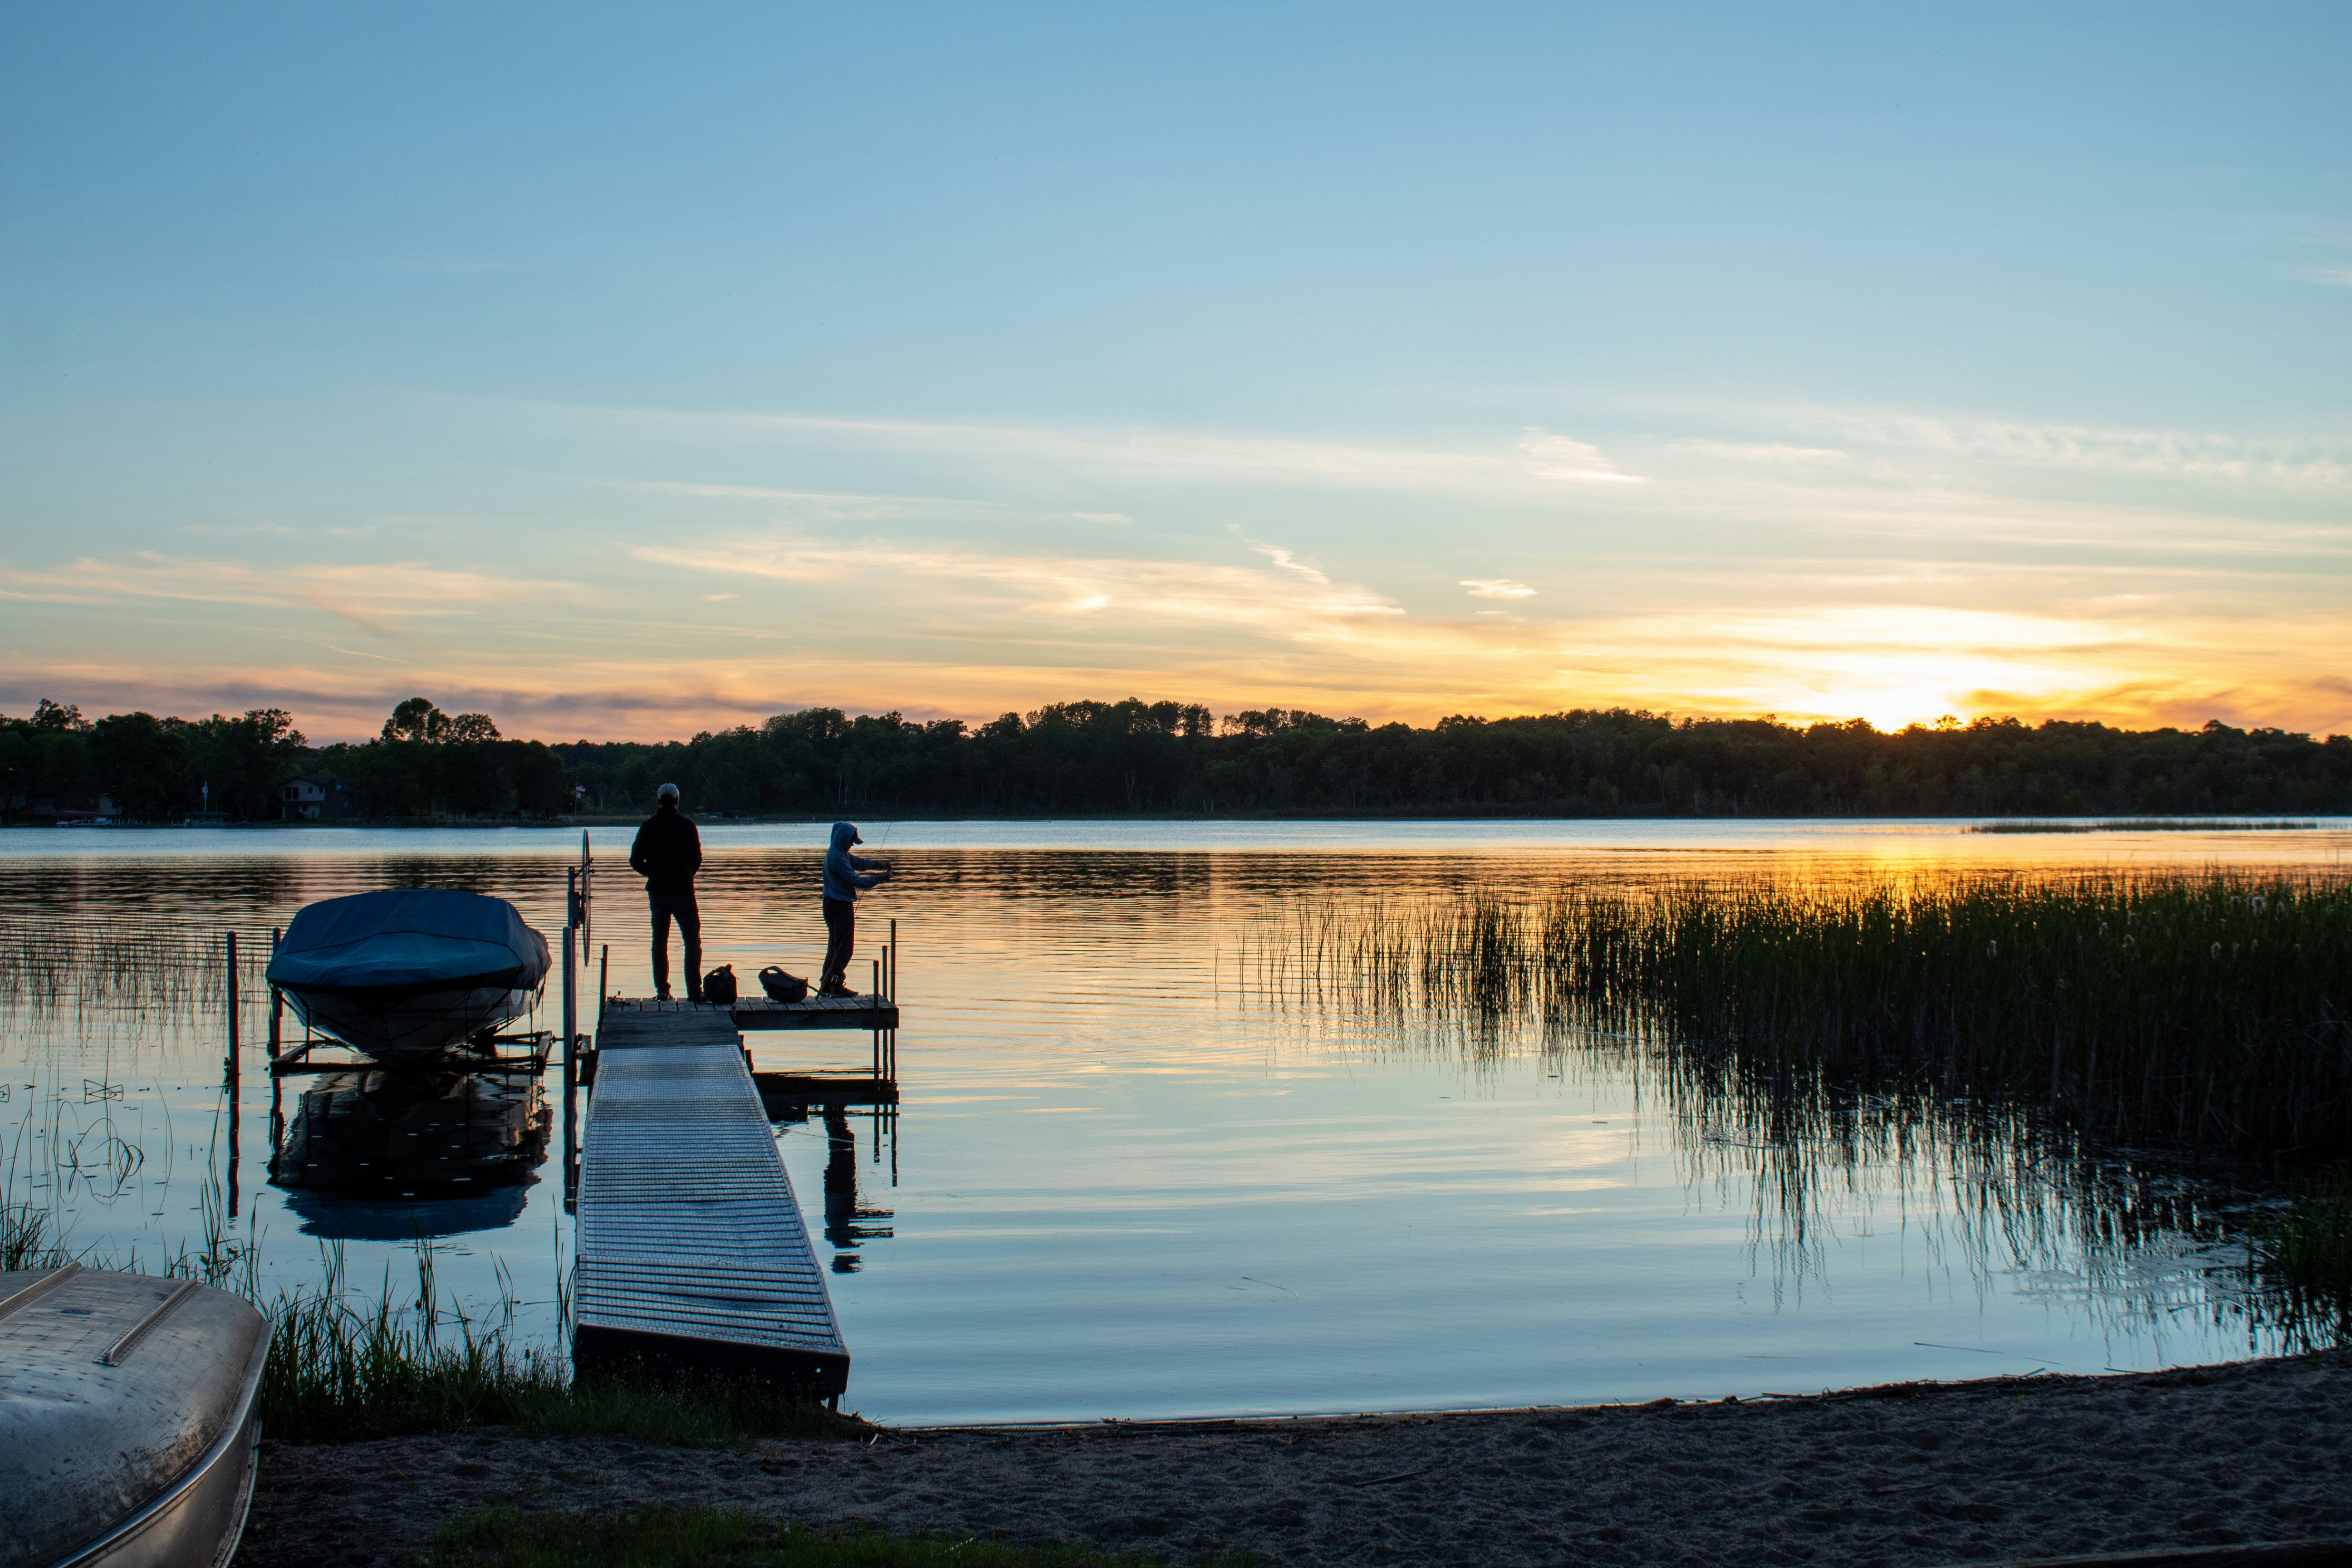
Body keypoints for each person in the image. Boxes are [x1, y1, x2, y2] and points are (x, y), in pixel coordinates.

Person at [629, 782, 703, 1001]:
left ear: (659, 801)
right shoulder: (688, 826)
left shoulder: (648, 826)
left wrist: (652, 874)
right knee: (692, 942)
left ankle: (663, 990)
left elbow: (634, 860)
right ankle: (695, 991)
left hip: (658, 893)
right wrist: (687, 875)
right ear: (677, 801)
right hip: (684, 892)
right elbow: (697, 859)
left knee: (660, 942)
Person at [820, 820, 890, 996]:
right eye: (852, 841)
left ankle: (827, 983)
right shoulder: (838, 857)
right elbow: (858, 881)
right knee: (845, 949)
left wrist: (878, 864)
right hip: (840, 906)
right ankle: (835, 985)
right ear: (844, 838)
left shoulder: (838, 853)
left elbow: (858, 862)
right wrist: (880, 879)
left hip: (831, 904)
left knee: (835, 946)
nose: (852, 844)